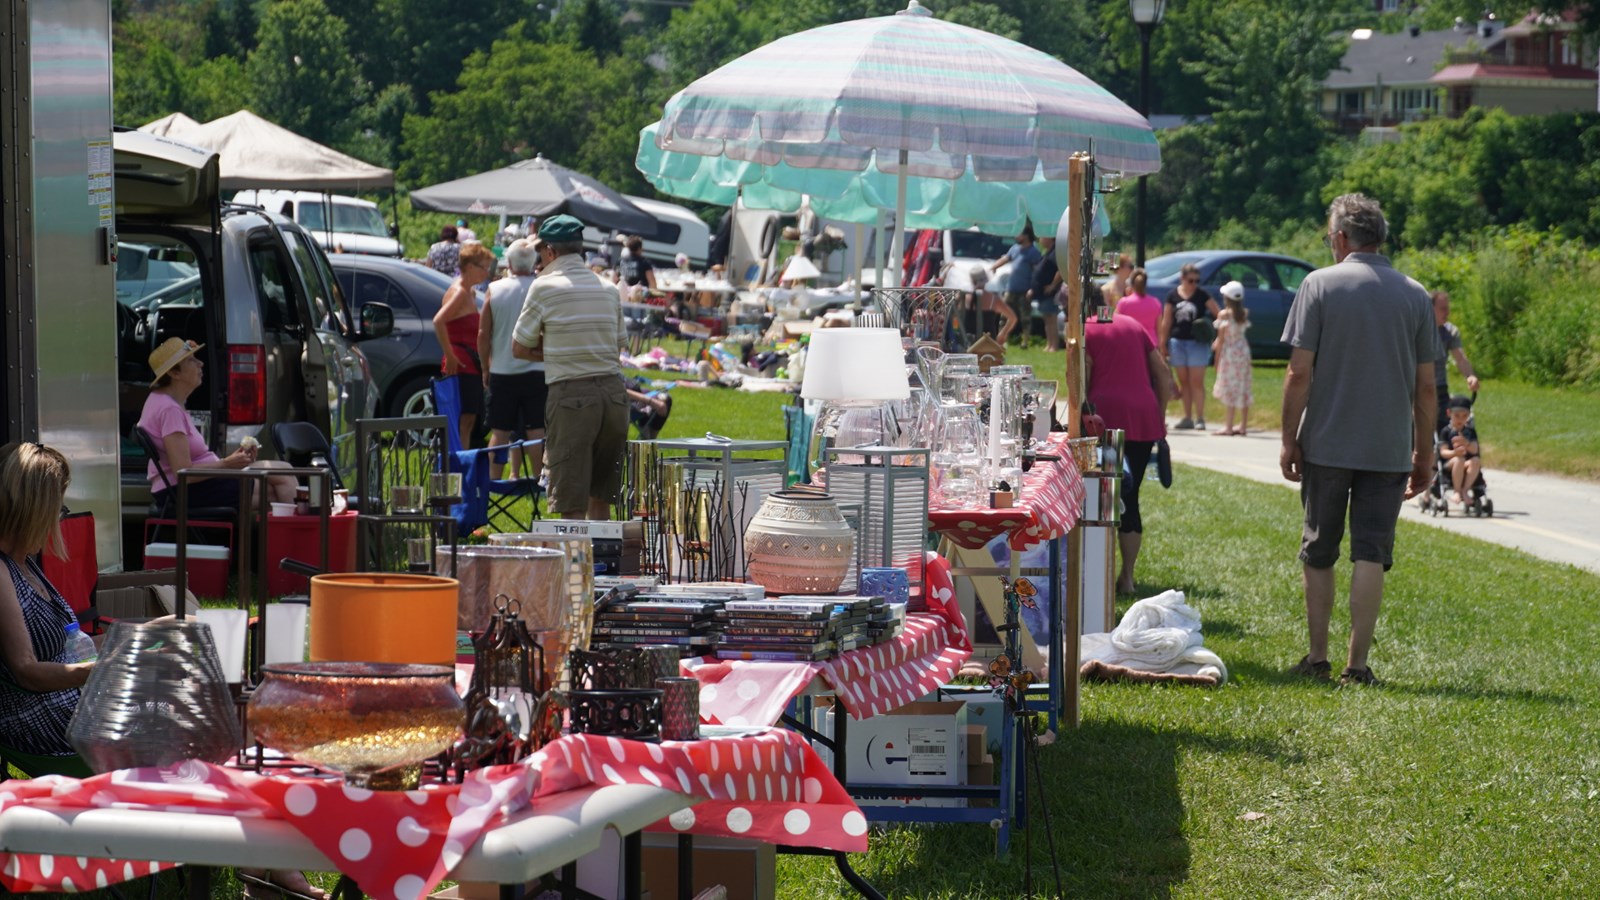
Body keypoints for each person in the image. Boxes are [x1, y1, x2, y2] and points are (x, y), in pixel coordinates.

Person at [1280, 193, 1436, 687]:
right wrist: (1425, 453)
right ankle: (1358, 665)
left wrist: (1289, 439)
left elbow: (1298, 373)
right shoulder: (1415, 294)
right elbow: (1427, 386)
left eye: (1330, 237)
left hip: (1327, 443)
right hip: (1388, 447)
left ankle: (1318, 656)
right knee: (1372, 552)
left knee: (1320, 548)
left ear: (1342, 238)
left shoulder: (1319, 285)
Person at [512, 215, 628, 521]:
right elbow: (618, 346)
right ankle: (601, 564)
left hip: (572, 395)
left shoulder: (544, 287)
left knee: (570, 498)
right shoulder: (609, 288)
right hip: (614, 394)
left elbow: (519, 347)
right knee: (601, 496)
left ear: (549, 251)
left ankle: (576, 567)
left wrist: (551, 353)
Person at [0, 442, 94, 771]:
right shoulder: (1, 571)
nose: (59, 517)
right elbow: (26, 671)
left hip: (72, 709)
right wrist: (109, 672)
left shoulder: (24, 562)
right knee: (182, 716)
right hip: (46, 723)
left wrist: (149, 634)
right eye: (58, 507)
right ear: (35, 509)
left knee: (185, 699)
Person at [137, 338, 295, 511]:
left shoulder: (163, 401)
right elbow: (183, 472)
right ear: (175, 374)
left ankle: (294, 534)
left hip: (198, 483)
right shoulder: (169, 410)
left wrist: (235, 461)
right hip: (184, 491)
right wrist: (227, 464)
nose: (201, 363)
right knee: (278, 487)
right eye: (191, 360)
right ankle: (298, 535)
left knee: (284, 470)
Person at [1085, 298, 1176, 595]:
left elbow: (1081, 381)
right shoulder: (1134, 325)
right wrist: (1158, 415)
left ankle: (1100, 574)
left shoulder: (1084, 330)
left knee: (1104, 499)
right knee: (1129, 496)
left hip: (1103, 418)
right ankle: (1127, 576)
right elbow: (1163, 374)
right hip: (1143, 417)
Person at [478, 239, 546, 481]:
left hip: (503, 370)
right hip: (538, 368)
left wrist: (485, 367)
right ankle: (541, 480)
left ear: (508, 262)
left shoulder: (495, 289)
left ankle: (493, 479)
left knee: (500, 431)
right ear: (533, 262)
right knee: (536, 429)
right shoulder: (541, 287)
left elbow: (483, 333)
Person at [435, 241, 494, 451]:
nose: (486, 273)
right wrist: (449, 355)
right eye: (483, 267)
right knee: (464, 421)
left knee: (468, 421)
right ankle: (459, 467)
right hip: (461, 364)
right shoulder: (459, 292)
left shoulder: (468, 292)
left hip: (470, 363)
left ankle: (463, 465)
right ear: (470, 267)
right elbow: (439, 321)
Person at [1159, 262, 1220, 430]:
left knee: (1196, 381)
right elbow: (1167, 320)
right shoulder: (1172, 295)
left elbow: (1219, 314)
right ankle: (1187, 417)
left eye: (1196, 280)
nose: (1194, 284)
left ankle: (1200, 417)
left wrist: (1216, 334)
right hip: (1177, 341)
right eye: (1190, 280)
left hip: (1197, 343)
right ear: (1182, 278)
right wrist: (1163, 343)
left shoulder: (1202, 295)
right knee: (1183, 381)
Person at [1431, 290, 1481, 430]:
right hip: (1416, 388)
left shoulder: (1450, 331)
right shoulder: (1416, 328)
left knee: (1445, 429)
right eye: (1443, 309)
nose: (1447, 313)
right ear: (1430, 309)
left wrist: (1470, 376)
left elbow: (1460, 358)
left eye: (1448, 309)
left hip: (1439, 388)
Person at [1210, 280, 1253, 436]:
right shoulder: (1244, 313)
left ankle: (1228, 426)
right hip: (1243, 352)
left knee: (1229, 386)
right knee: (1243, 385)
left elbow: (1221, 340)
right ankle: (1243, 425)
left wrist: (1216, 359)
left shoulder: (1224, 315)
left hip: (1229, 353)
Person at [990, 226, 1042, 348]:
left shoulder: (1034, 252)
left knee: (1025, 318)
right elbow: (1005, 259)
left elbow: (1036, 272)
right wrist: (993, 267)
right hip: (1010, 288)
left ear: (1026, 236)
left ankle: (1025, 342)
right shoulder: (1015, 249)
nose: (1016, 236)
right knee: (1004, 315)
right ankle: (1002, 338)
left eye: (1019, 234)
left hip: (1024, 290)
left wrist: (1032, 288)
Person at [1437, 394, 1481, 507]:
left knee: (1475, 460)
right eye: (1457, 416)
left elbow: (1475, 449)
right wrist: (1454, 453)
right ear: (1449, 414)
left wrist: (1466, 443)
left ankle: (1464, 490)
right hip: (1450, 463)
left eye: (1464, 416)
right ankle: (1457, 491)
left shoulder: (1470, 432)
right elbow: (1443, 452)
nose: (1460, 419)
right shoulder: (1446, 431)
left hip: (1466, 462)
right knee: (1459, 460)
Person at [969, 265, 1018, 345]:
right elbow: (1012, 318)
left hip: (966, 340)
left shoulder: (963, 297)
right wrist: (1003, 333)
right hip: (988, 342)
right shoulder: (993, 299)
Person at [1031, 236, 1063, 352]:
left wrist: (1053, 285)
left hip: (1050, 292)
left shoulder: (1055, 252)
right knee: (1046, 319)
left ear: (1050, 239)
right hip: (1042, 293)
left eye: (1042, 237)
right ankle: (1049, 344)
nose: (1040, 239)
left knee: (1051, 318)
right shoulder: (1047, 252)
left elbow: (1060, 270)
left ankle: (1054, 345)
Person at [1116, 268, 1163, 344]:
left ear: (1131, 283)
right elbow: (1159, 330)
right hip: (1151, 344)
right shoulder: (1155, 303)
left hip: (1129, 343)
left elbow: (1116, 324)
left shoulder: (1124, 302)